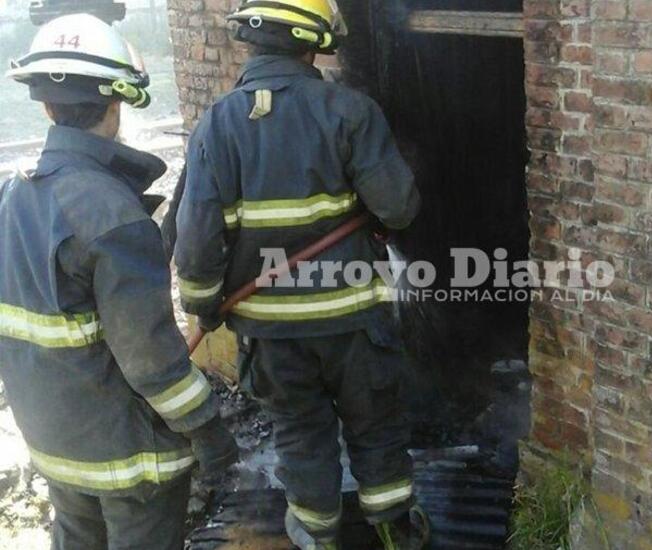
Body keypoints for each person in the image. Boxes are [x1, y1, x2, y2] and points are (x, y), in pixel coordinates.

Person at [172, 1, 426, 548]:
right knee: (376, 425)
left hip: (271, 333)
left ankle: (317, 535)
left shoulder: (216, 124)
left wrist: (204, 305)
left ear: (251, 41)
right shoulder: (351, 111)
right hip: (354, 320)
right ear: (314, 44)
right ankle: (395, 531)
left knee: (301, 434)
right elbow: (398, 208)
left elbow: (195, 244)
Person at [0, 14, 238, 550]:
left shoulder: (11, 198)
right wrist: (207, 428)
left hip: (55, 445)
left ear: (45, 106)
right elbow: (153, 362)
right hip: (130, 462)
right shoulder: (114, 215)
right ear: (116, 103)